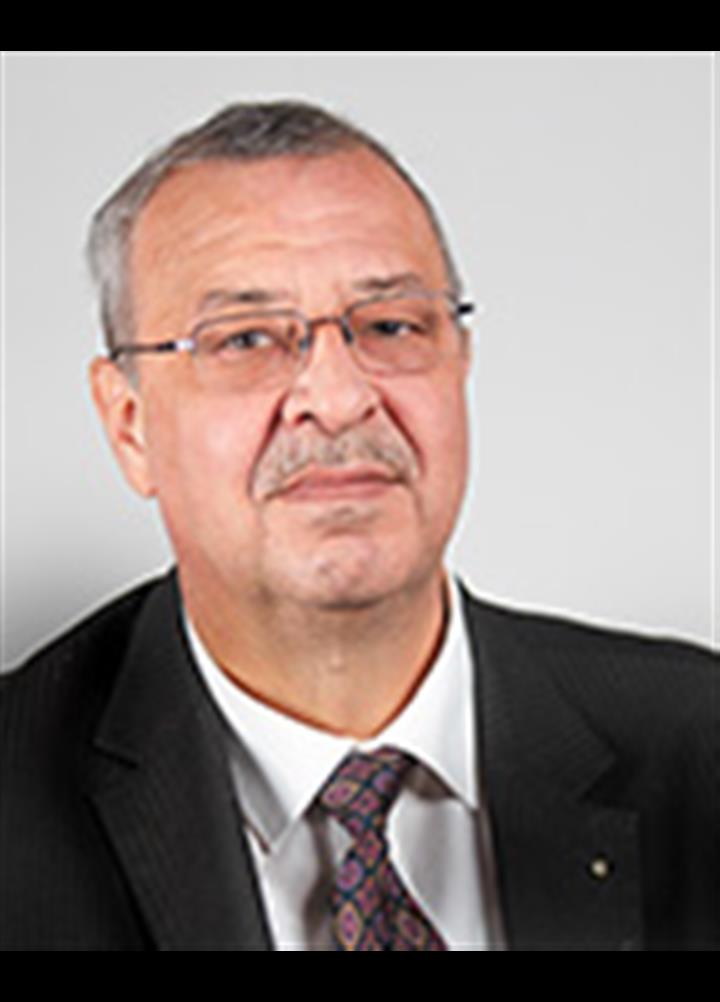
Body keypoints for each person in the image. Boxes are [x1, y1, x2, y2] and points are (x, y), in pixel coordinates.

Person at [1, 100, 717, 952]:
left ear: (459, 363)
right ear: (130, 427)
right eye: (245, 340)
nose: (339, 399)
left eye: (390, 326)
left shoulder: (699, 745)